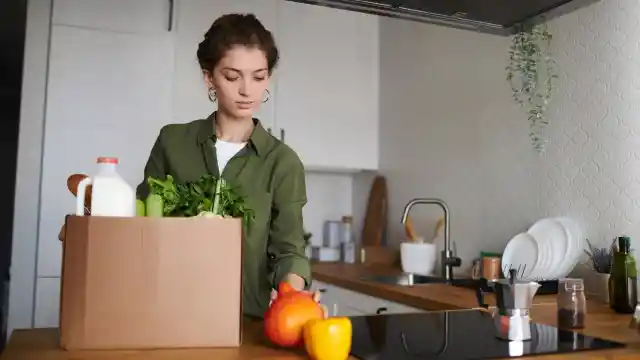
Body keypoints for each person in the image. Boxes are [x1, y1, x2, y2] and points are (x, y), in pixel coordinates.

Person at [61, 13, 321, 318]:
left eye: (259, 76)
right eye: (232, 76)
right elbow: (141, 226)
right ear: (209, 77)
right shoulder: (173, 142)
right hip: (165, 312)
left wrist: (293, 295)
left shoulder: (282, 162)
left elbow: (289, 250)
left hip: (244, 322)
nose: (247, 90)